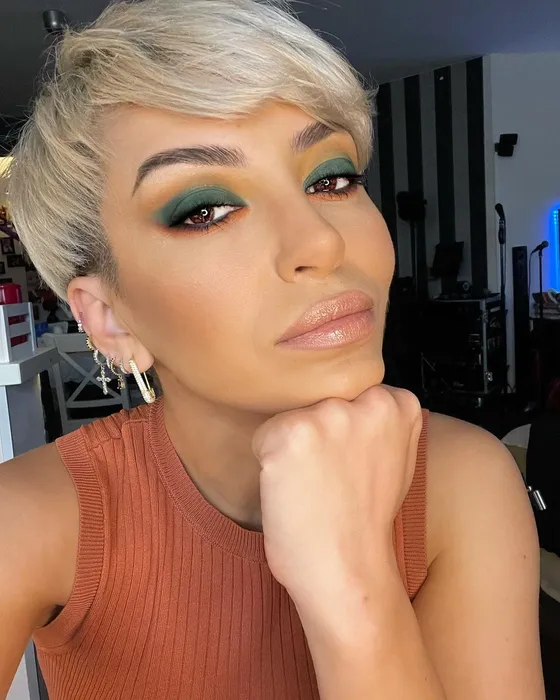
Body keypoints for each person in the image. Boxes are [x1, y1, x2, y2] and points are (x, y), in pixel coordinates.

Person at [1, 1, 544, 698]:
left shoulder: (463, 479)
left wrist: (352, 586)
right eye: (204, 211)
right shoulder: (32, 517)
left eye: (332, 179)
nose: (321, 240)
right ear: (108, 317)